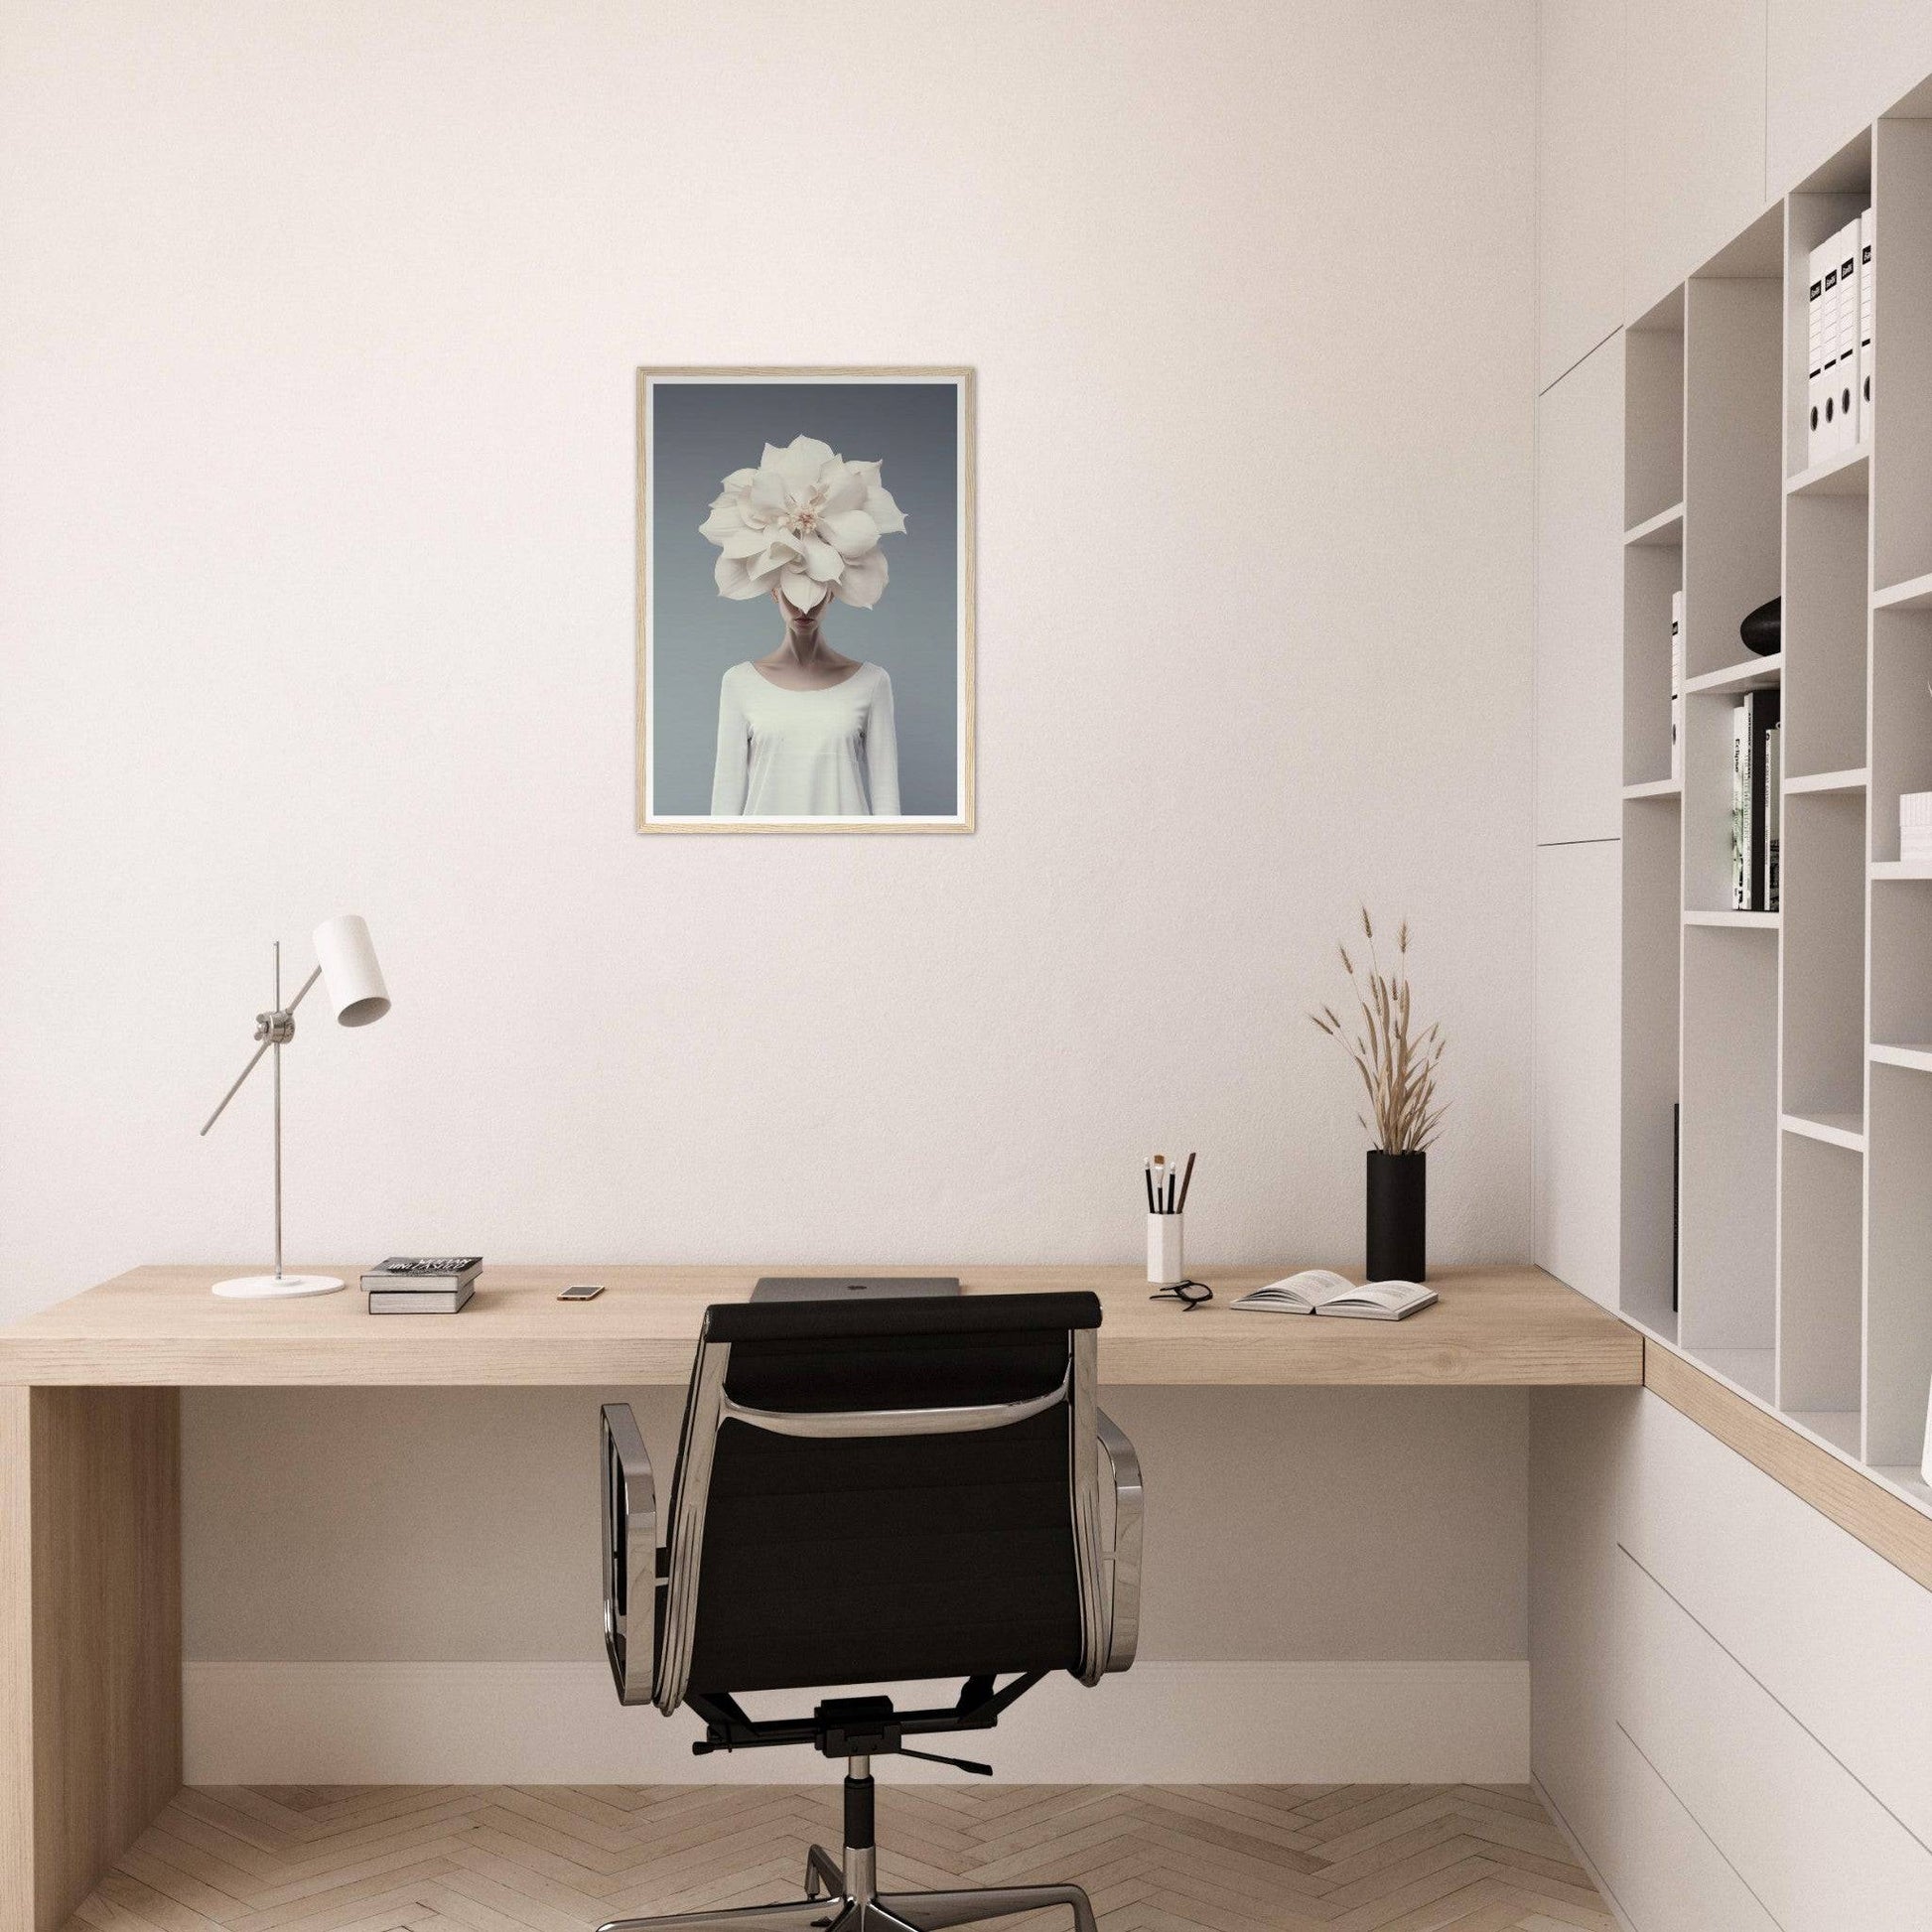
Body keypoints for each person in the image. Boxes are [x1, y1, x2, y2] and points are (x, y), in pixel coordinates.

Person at [709, 587, 899, 817]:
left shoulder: (872, 681)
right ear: (774, 591)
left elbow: (886, 800)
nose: (805, 606)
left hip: (846, 846)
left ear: (831, 592)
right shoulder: (739, 682)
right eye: (793, 591)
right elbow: (725, 800)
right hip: (764, 847)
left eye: (817, 591)